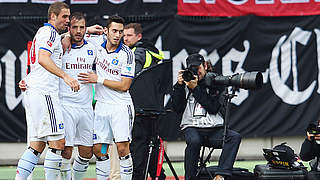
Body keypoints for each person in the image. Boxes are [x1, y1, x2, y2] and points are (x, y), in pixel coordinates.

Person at [15, 2, 80, 180]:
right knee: (58, 143)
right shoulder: (50, 32)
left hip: (36, 91)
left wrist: (84, 30)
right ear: (53, 16)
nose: (67, 20)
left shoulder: (46, 33)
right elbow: (44, 58)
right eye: (64, 17)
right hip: (45, 93)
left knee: (36, 145)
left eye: (69, 17)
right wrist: (65, 76)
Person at [78, 15, 135, 180]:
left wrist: (99, 79)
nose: (118, 35)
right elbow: (73, 34)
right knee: (100, 150)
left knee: (122, 148)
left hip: (120, 107)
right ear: (106, 31)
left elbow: (125, 86)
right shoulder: (97, 43)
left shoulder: (127, 55)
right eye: (114, 31)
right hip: (102, 106)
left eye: (120, 32)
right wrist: (87, 29)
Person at [171, 53, 242, 180]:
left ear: (205, 65)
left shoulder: (216, 81)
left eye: (197, 68)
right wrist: (180, 86)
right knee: (194, 141)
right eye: (192, 69)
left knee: (234, 137)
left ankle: (221, 175)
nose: (195, 72)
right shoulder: (186, 82)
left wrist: (196, 88)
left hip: (214, 130)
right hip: (192, 127)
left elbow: (213, 108)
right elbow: (177, 108)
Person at [123, 23, 166, 180]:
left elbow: (130, 78)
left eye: (128, 35)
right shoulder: (152, 53)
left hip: (139, 110)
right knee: (153, 151)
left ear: (138, 36)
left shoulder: (138, 53)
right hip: (152, 109)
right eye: (124, 35)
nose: (125, 38)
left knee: (138, 154)